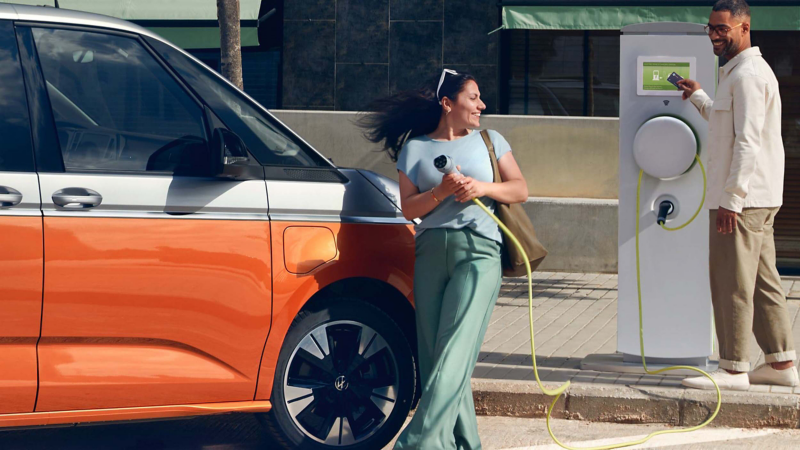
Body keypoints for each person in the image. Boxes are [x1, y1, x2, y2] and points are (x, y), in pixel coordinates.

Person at [359, 69, 528, 449]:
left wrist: (480, 187)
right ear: (448, 104)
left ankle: (419, 443)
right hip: (431, 251)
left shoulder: (491, 140)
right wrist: (441, 193)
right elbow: (408, 209)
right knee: (437, 359)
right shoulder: (415, 148)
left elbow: (520, 189)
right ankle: (466, 444)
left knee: (455, 351)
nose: (481, 105)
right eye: (473, 97)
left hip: (479, 252)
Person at [678, 0, 798, 390]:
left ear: (744, 28)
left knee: (732, 282)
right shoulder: (740, 73)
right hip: (757, 197)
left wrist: (731, 199)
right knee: (764, 281)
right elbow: (729, 126)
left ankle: (733, 368)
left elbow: (746, 142)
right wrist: (699, 96)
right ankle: (781, 364)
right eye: (710, 27)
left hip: (741, 201)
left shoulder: (747, 75)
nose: (713, 34)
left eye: (721, 29)